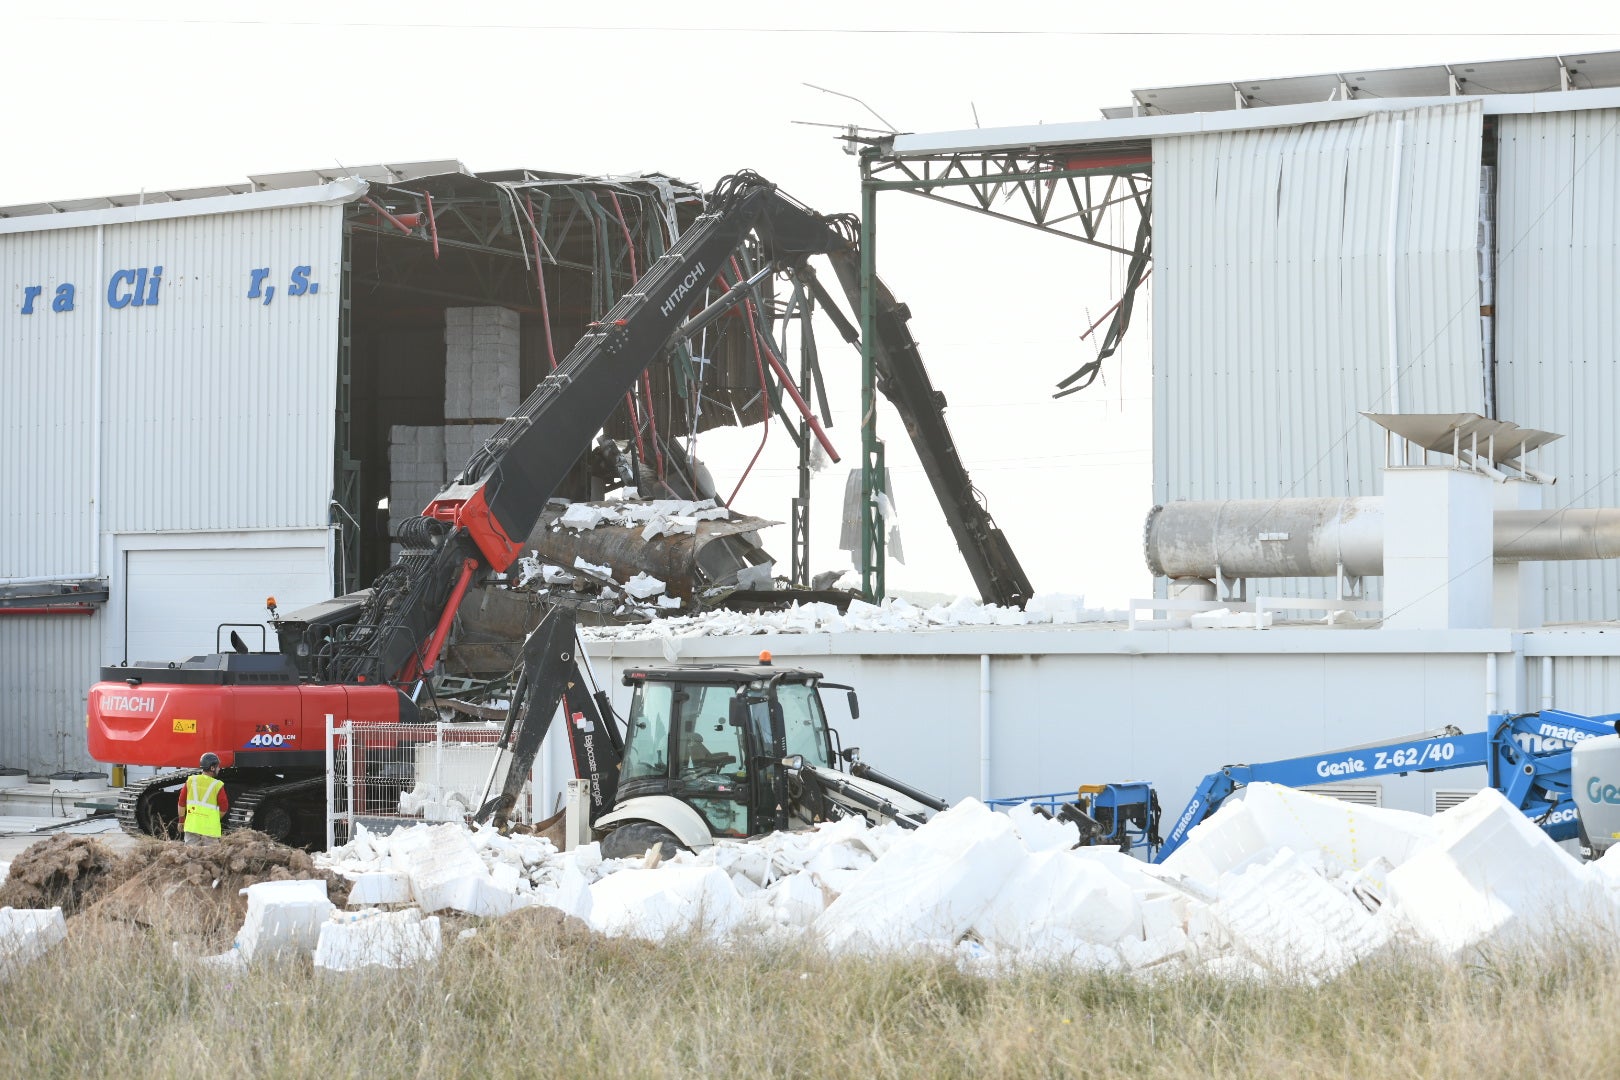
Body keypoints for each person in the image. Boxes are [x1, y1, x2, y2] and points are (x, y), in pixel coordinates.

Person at [177, 752, 229, 845]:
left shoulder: (191, 780)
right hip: (210, 829)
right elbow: (224, 807)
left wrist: (181, 820)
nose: (219, 768)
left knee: (190, 855)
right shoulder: (217, 785)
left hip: (192, 826)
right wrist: (214, 819)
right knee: (211, 856)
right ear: (212, 768)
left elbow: (181, 802)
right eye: (217, 766)